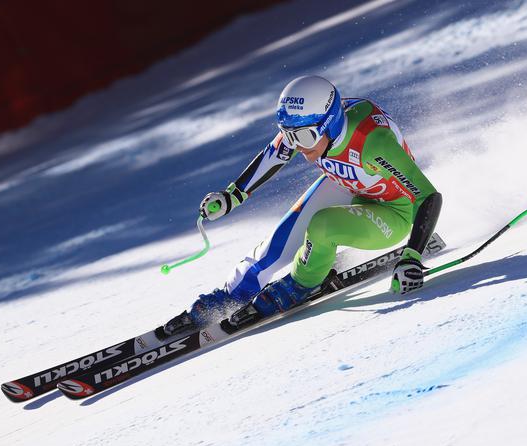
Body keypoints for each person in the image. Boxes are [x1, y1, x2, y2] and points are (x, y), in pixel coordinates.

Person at [163, 75, 442, 336]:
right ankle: (233, 294)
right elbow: (273, 155)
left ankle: (301, 283)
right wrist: (232, 195)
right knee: (274, 245)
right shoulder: (310, 124)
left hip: (394, 211)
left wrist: (412, 256)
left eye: (305, 138)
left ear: (329, 125)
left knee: (322, 226)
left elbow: (427, 196)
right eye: (290, 136)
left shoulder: (373, 142)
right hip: (349, 184)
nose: (299, 147)